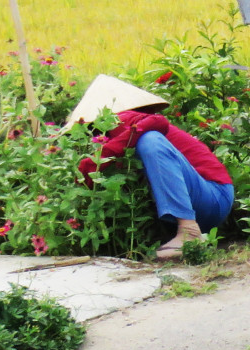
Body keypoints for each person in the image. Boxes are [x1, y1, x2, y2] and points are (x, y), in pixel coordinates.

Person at [68, 74, 235, 261]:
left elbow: (158, 123)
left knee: (150, 140)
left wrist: (103, 155)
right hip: (196, 203)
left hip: (213, 195)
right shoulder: (102, 136)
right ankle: (174, 237)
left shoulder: (122, 119)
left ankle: (189, 232)